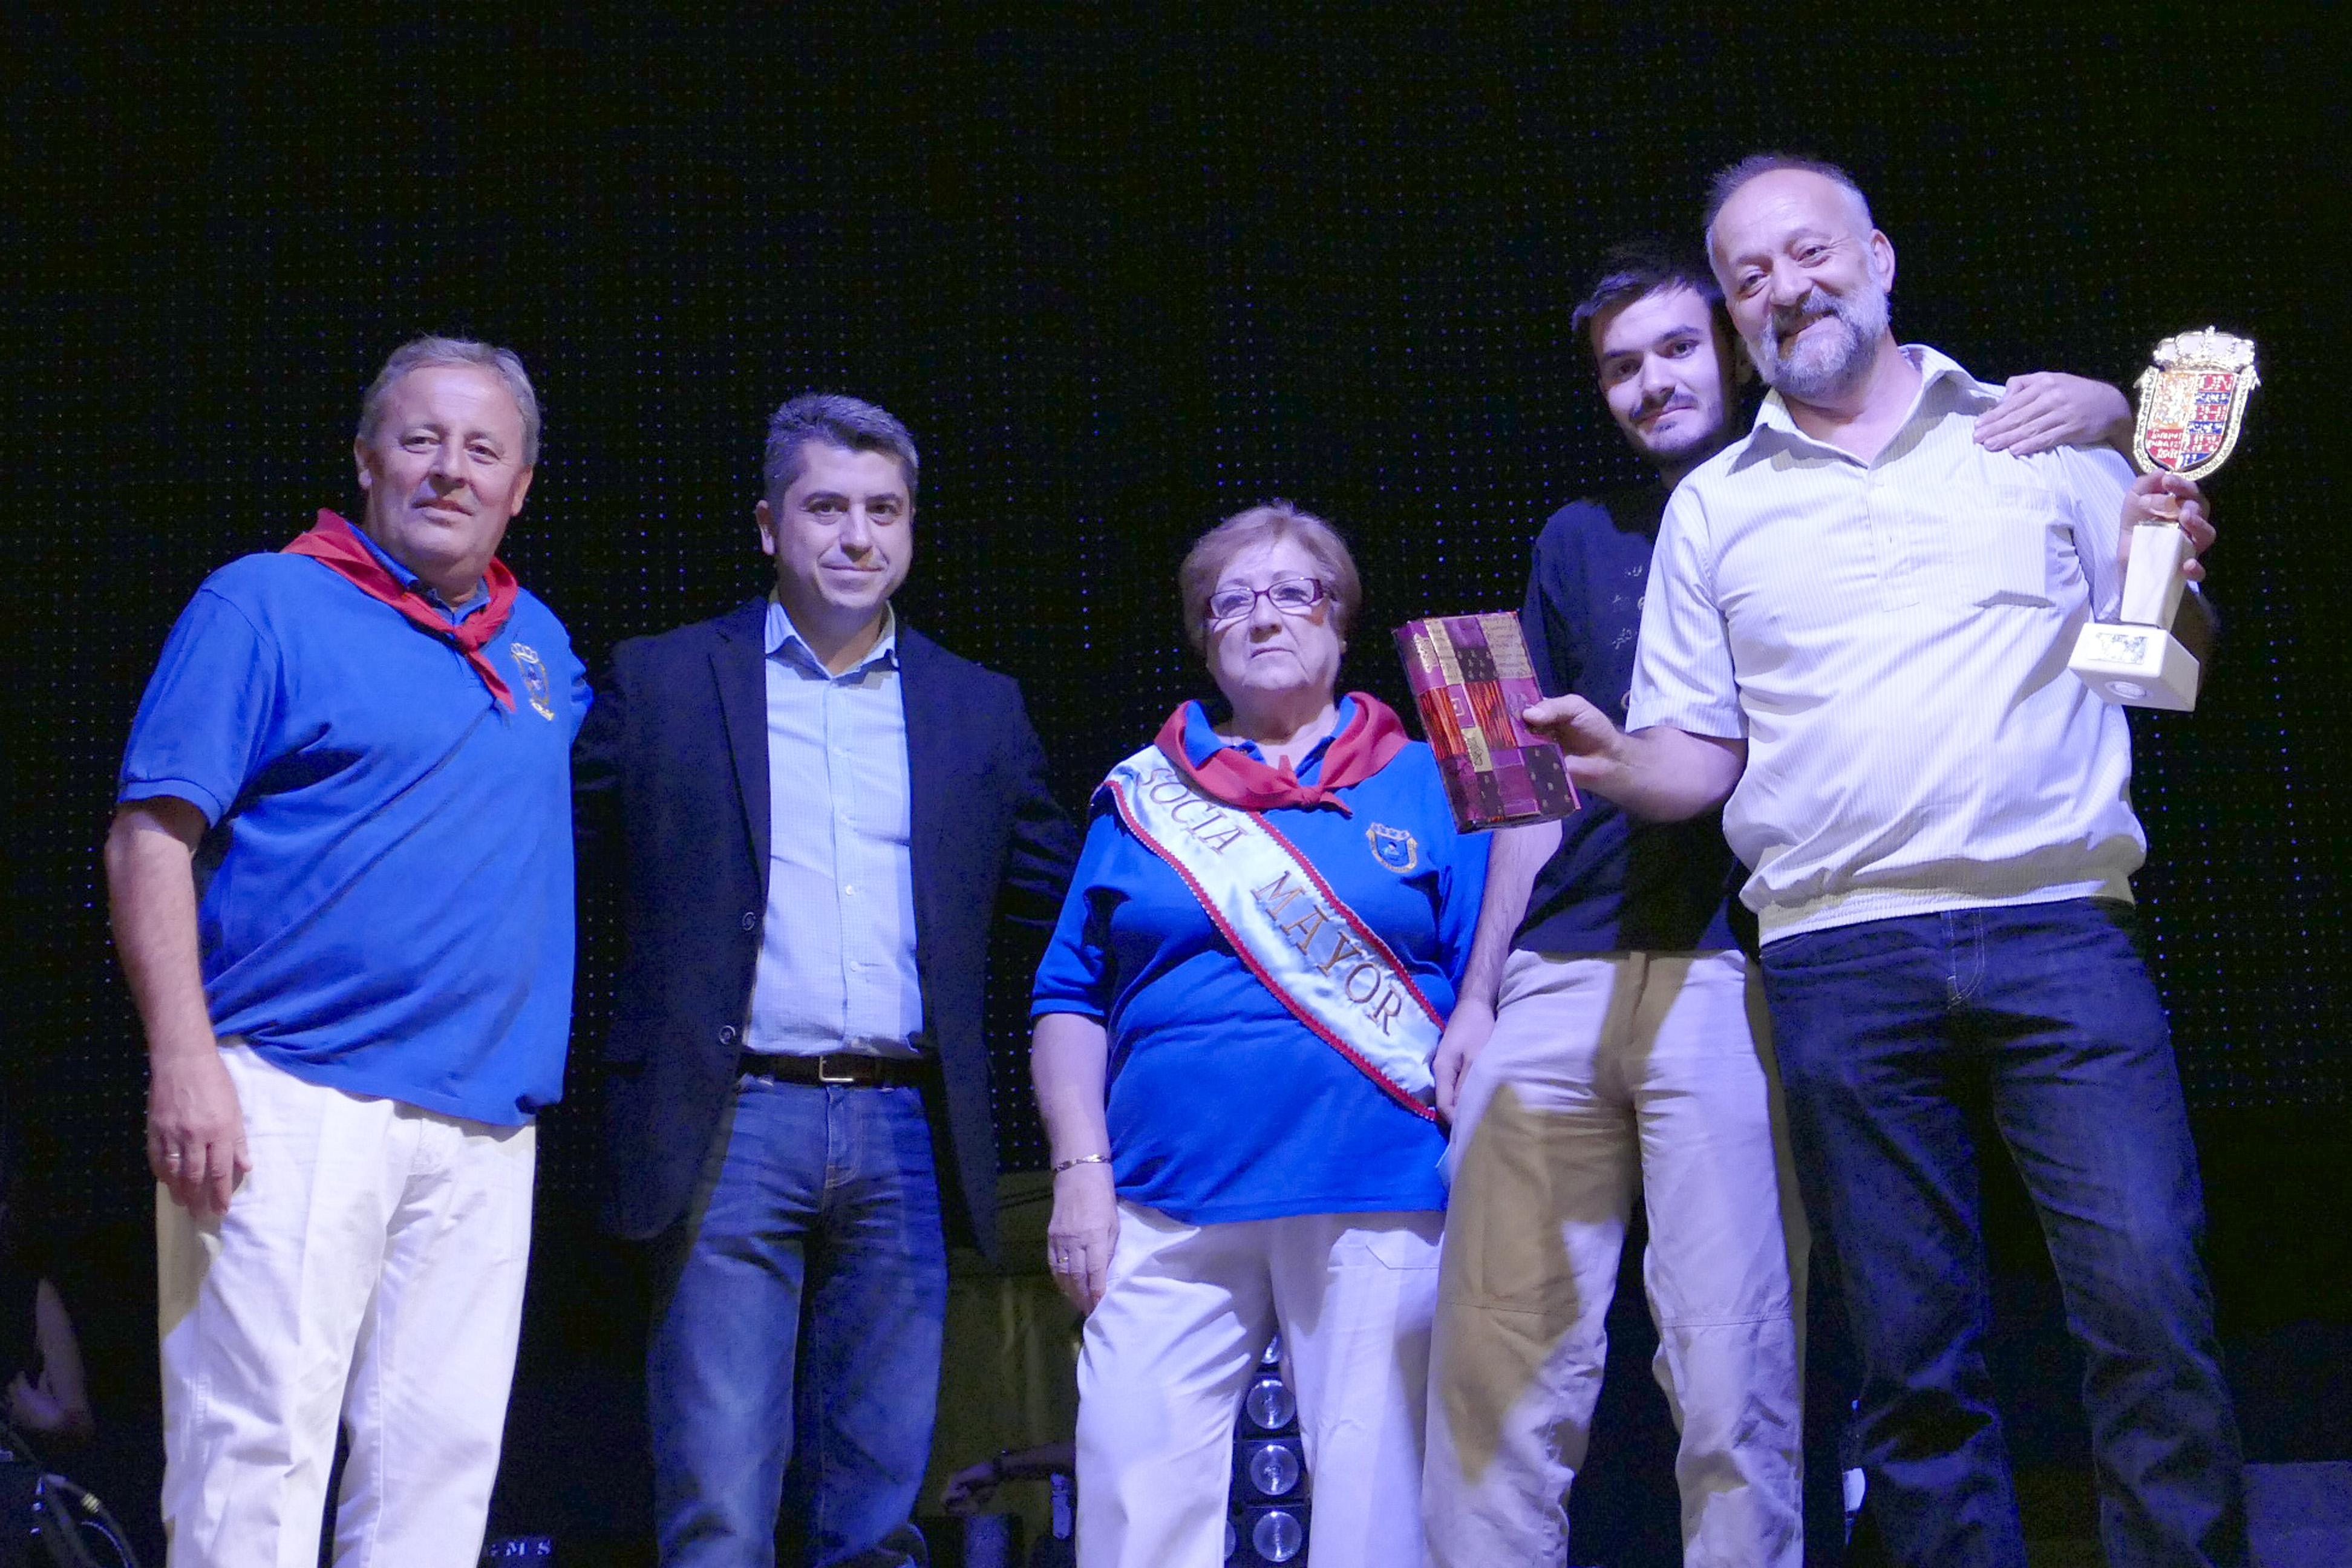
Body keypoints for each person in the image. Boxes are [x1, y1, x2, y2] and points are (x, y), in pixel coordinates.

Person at [1527, 155, 2245, 1567]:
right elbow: (1698, 760)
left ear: (1880, 259)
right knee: (1910, 1358)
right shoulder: (1717, 506)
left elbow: (2159, 677)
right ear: (1736, 316)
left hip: (2059, 922)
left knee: (2151, 1306)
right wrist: (1613, 763)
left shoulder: (2042, 435)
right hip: (1836, 955)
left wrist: (2175, 574)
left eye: (1809, 253)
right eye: (1749, 277)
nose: (1786, 288)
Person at [105, 336, 587, 1566]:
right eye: (422, 440)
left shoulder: (538, 644)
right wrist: (184, 1060)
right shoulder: (264, 602)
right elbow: (149, 839)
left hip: (483, 1123)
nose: (450, 469)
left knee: (438, 1482)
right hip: (289, 1097)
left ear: (521, 487)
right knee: (255, 1460)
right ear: (368, 459)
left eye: (482, 449)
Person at [575, 393, 1077, 1567]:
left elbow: (1066, 897)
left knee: (880, 1512)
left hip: (906, 1127)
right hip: (728, 1123)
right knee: (718, 1506)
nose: (858, 537)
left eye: (884, 511)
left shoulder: (976, 706)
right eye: (827, 508)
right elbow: (543, 860)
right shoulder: (663, 681)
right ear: (769, 525)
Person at [1030, 503, 1486, 1568]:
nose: (1264, 616)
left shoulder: (1429, 779)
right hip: (1162, 1201)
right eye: (1231, 600)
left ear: (1340, 619)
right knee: (1132, 1505)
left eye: (1293, 592)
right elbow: (1067, 998)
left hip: (1380, 1185)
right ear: (1205, 638)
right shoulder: (1141, 796)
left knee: (1379, 1523)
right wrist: (1080, 1175)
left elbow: (1484, 987)